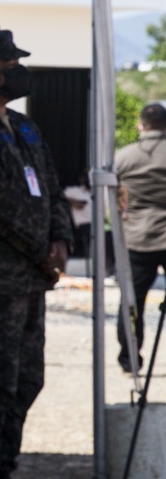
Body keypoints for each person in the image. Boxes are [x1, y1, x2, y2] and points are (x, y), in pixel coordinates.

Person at [0, 31, 73, 479]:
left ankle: (4, 458)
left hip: (35, 278)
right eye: (9, 64)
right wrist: (40, 249)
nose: (16, 71)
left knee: (29, 378)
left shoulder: (25, 125)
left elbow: (52, 186)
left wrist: (62, 239)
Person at [114, 102, 166, 374]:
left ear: (141, 125)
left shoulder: (124, 156)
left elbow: (110, 198)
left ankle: (130, 358)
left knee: (132, 302)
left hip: (137, 238)